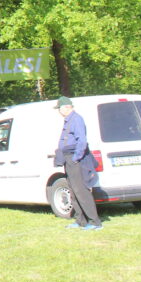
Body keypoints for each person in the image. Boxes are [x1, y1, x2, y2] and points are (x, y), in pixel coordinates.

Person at [53, 96, 102, 230]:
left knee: (81, 191)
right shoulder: (69, 120)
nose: (58, 111)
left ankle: (94, 222)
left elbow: (82, 141)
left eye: (59, 108)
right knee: (73, 191)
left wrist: (76, 158)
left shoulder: (76, 119)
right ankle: (81, 221)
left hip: (76, 160)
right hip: (68, 159)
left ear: (66, 107)